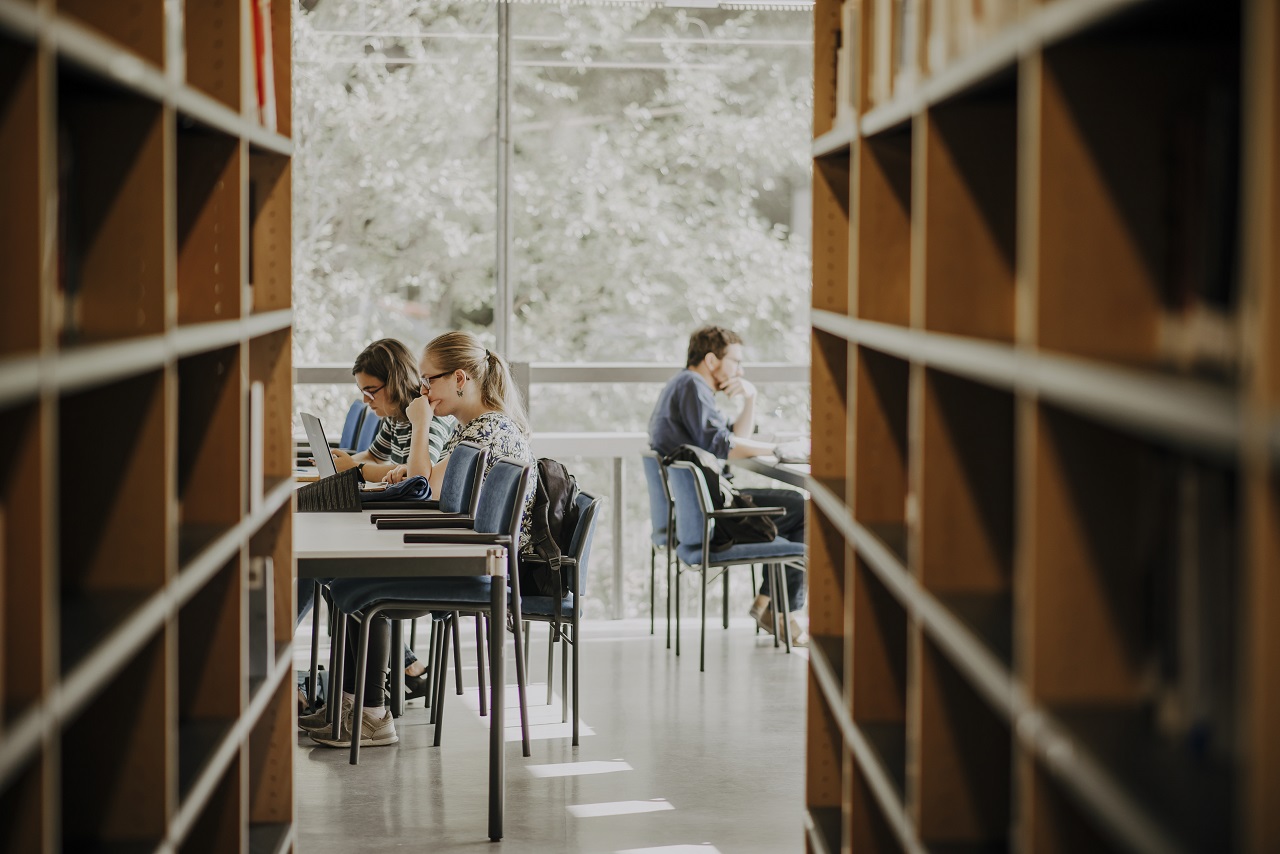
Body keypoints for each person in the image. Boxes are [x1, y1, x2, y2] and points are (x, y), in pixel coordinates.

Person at [306, 331, 537, 748]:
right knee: (343, 581)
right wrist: (409, 476)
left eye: (431, 380)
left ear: (461, 378)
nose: (423, 389)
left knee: (350, 583)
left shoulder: (487, 431)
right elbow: (427, 482)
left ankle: (368, 714)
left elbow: (425, 485)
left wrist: (419, 427)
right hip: (460, 550)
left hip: (471, 563)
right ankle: (356, 708)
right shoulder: (474, 427)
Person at [296, 339, 456, 708]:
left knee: (326, 570)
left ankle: (366, 690)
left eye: (371, 391)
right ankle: (402, 669)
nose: (367, 402)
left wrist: (360, 468)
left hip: (413, 532)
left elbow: (419, 479)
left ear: (395, 381)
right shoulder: (396, 418)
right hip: (396, 523)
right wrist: (348, 462)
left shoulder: (424, 420)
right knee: (325, 570)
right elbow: (376, 457)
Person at [648, 325, 808, 645]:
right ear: (711, 360)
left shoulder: (685, 386)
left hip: (700, 511)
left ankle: (769, 605)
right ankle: (775, 610)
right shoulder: (692, 385)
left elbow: (733, 438)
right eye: (735, 362)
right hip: (714, 517)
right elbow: (726, 447)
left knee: (795, 506)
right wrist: (782, 449)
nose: (740, 369)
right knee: (804, 509)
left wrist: (750, 398)